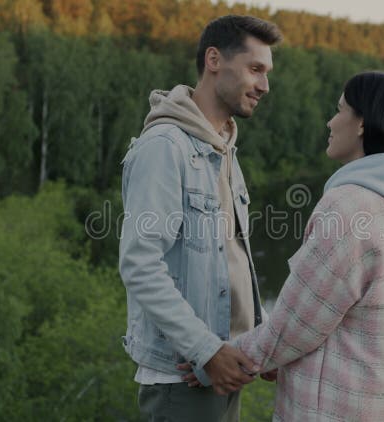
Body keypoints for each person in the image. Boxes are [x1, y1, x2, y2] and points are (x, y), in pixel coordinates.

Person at [182, 71, 384, 421]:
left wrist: (215, 360)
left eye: (339, 110)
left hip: (331, 410)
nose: (330, 122)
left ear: (361, 124)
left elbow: (296, 323)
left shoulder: (348, 208)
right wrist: (275, 357)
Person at [118, 15, 282, 422]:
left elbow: (231, 262)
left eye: (267, 72)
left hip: (220, 371)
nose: (265, 85)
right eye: (255, 69)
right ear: (214, 60)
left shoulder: (222, 146)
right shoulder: (164, 148)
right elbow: (139, 265)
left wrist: (254, 343)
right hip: (182, 382)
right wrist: (204, 350)